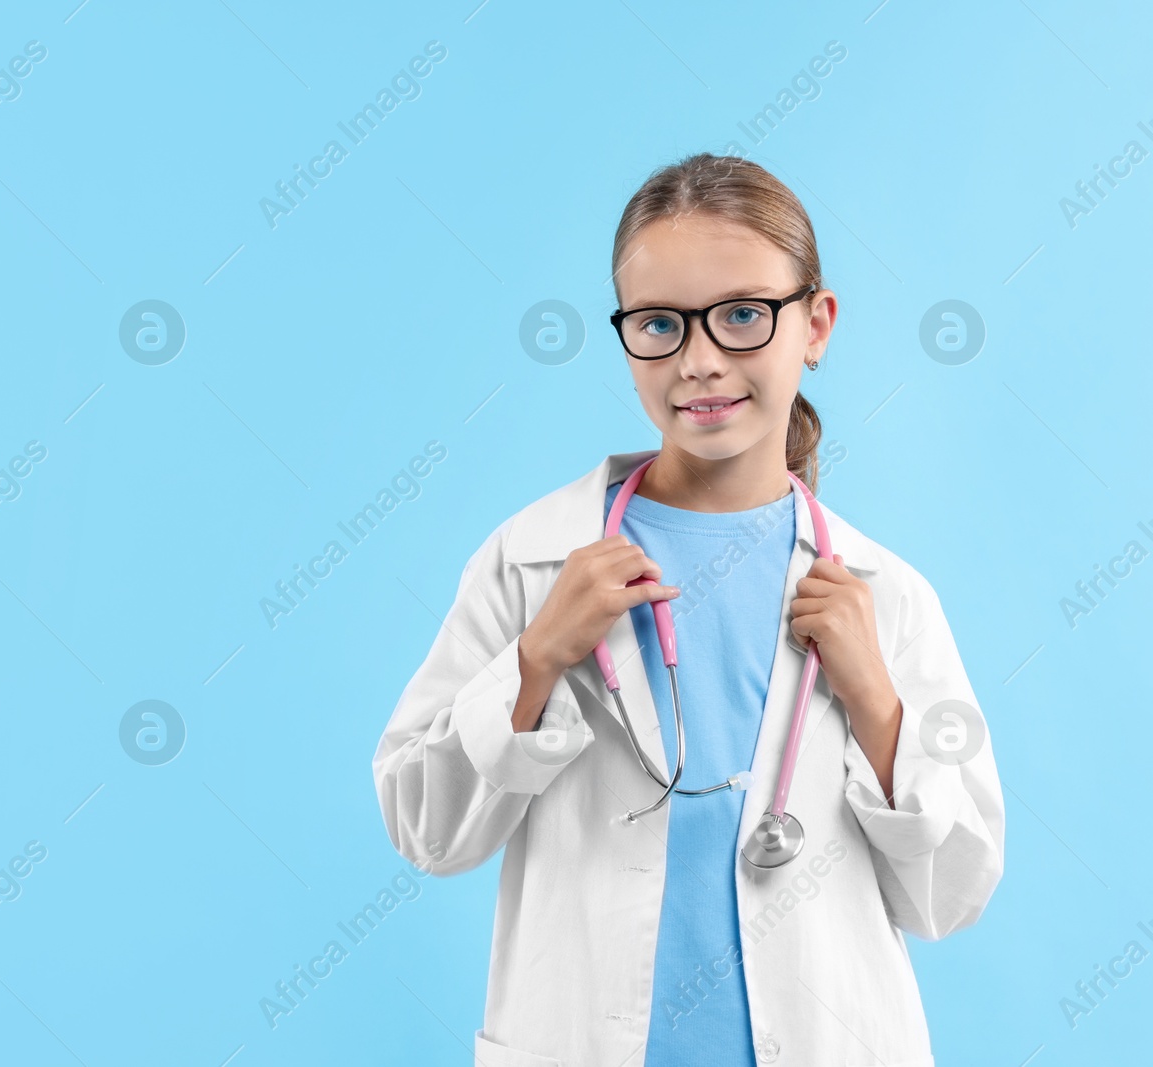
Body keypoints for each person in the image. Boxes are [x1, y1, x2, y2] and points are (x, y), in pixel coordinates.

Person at [371, 153, 1003, 1066]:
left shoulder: (886, 595)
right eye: (660, 324)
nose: (700, 360)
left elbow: (952, 893)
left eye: (744, 314)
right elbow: (426, 830)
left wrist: (879, 707)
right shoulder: (531, 562)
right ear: (626, 335)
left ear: (816, 324)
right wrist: (535, 658)